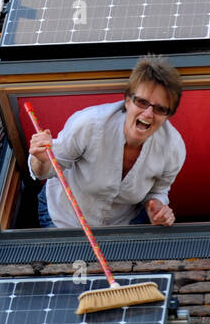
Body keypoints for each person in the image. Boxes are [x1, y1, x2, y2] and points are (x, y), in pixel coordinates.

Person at [28, 55, 185, 229]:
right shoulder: (89, 124)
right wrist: (40, 158)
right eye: (141, 102)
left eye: (160, 108)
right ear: (127, 101)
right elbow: (44, 172)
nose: (148, 113)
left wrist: (156, 210)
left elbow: (157, 192)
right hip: (63, 219)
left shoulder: (173, 149)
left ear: (168, 115)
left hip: (123, 224)